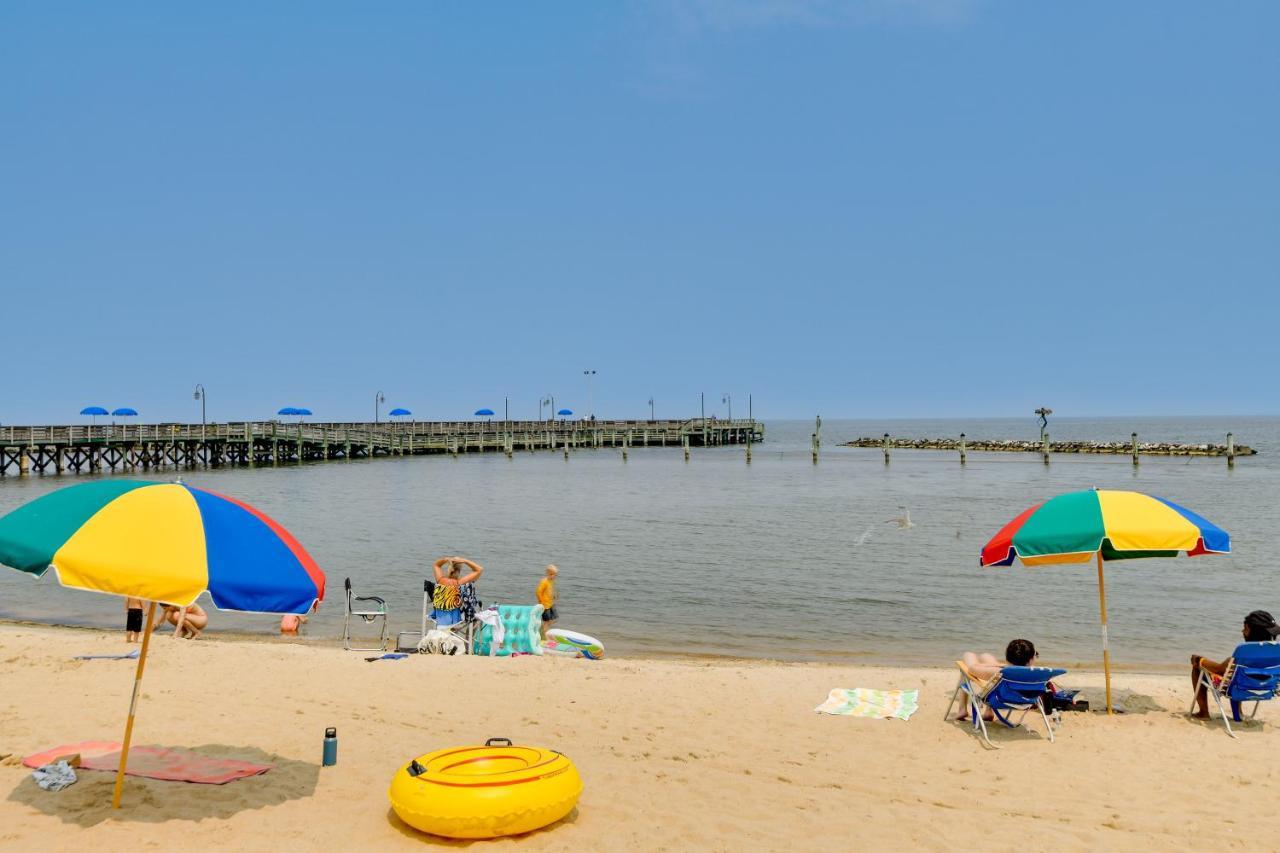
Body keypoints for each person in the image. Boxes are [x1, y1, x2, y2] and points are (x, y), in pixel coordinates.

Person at [1191, 610, 1280, 718]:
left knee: (1199, 669)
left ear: (1250, 630)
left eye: (1245, 628)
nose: (1242, 631)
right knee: (1239, 674)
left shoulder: (1243, 652)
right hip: (1266, 687)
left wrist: (1200, 660)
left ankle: (1203, 713)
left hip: (1238, 687)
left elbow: (1219, 670)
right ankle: (1239, 712)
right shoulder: (1276, 652)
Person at [956, 639, 1038, 720]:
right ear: (1031, 659)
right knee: (986, 656)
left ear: (1007, 658)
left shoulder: (999, 672)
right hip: (1025, 701)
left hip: (1000, 700)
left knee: (968, 655)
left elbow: (972, 668)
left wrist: (1000, 665)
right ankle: (988, 711)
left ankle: (962, 709)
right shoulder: (1038, 673)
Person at [431, 556, 483, 627]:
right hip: (454, 618)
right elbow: (479, 569)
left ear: (449, 569)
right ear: (459, 571)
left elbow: (436, 565)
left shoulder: (440, 580)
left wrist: (446, 559)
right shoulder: (459, 583)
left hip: (438, 614)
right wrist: (465, 560)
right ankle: (468, 636)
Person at [537, 565, 558, 639]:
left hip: (550, 603)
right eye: (551, 574)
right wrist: (541, 602)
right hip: (545, 605)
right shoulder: (544, 581)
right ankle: (544, 635)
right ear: (547, 573)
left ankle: (544, 630)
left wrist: (554, 595)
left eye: (554, 575)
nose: (553, 576)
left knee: (553, 619)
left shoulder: (551, 581)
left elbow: (550, 590)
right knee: (547, 621)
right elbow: (538, 592)